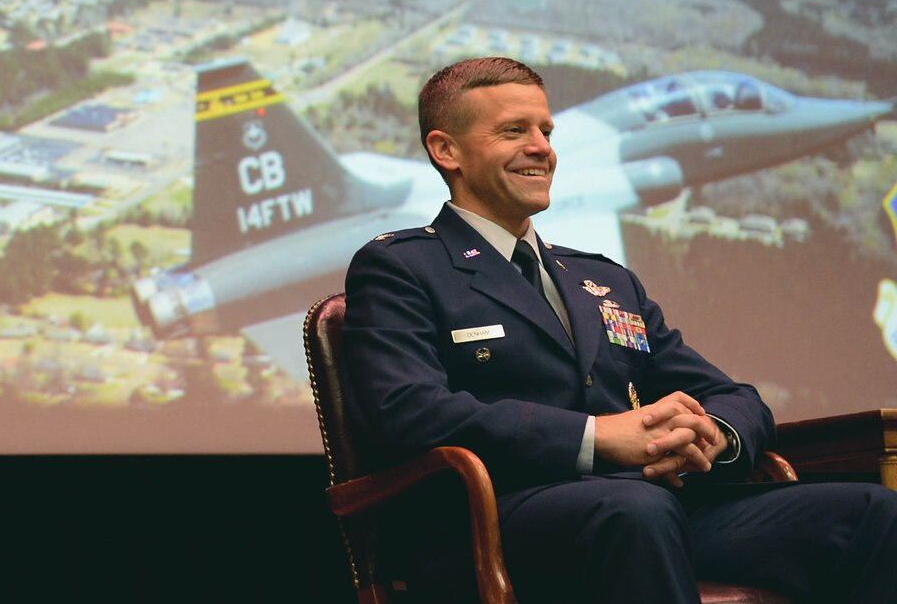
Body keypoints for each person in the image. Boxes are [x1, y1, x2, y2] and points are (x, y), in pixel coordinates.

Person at [342, 56, 897, 604]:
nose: (542, 147)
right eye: (514, 131)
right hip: (494, 525)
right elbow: (408, 411)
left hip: (648, 512)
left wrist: (715, 436)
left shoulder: (602, 278)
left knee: (871, 512)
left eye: (545, 130)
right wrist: (597, 438)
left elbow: (732, 396)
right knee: (637, 514)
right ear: (446, 150)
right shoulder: (403, 267)